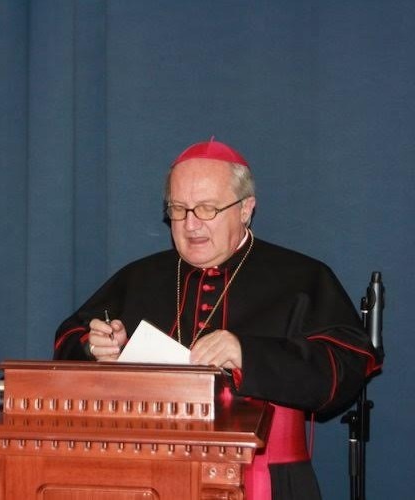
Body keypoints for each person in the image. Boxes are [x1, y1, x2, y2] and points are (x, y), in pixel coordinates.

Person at [53, 139, 380, 500]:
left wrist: (247, 354)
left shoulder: (303, 278)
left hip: (265, 479)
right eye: (178, 209)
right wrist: (94, 347)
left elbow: (349, 364)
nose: (191, 224)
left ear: (245, 209)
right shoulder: (139, 277)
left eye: (207, 208)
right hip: (147, 479)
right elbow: (69, 337)